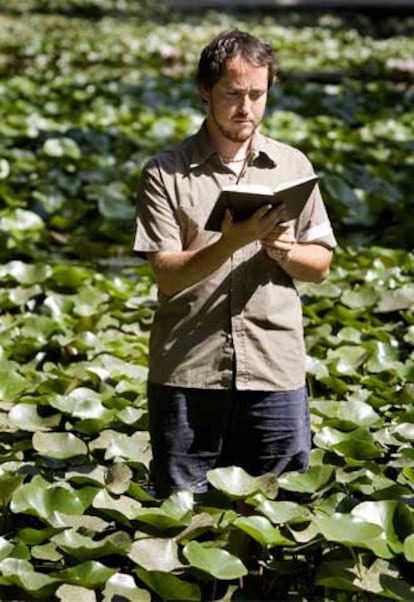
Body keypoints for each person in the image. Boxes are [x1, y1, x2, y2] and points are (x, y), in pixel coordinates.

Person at [134, 29, 336, 498]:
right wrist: (230, 243)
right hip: (189, 373)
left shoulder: (293, 166)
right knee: (185, 520)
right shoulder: (164, 172)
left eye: (258, 94)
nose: (247, 108)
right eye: (233, 94)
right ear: (205, 91)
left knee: (283, 514)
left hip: (275, 370)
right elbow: (165, 274)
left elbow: (320, 266)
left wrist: (283, 249)